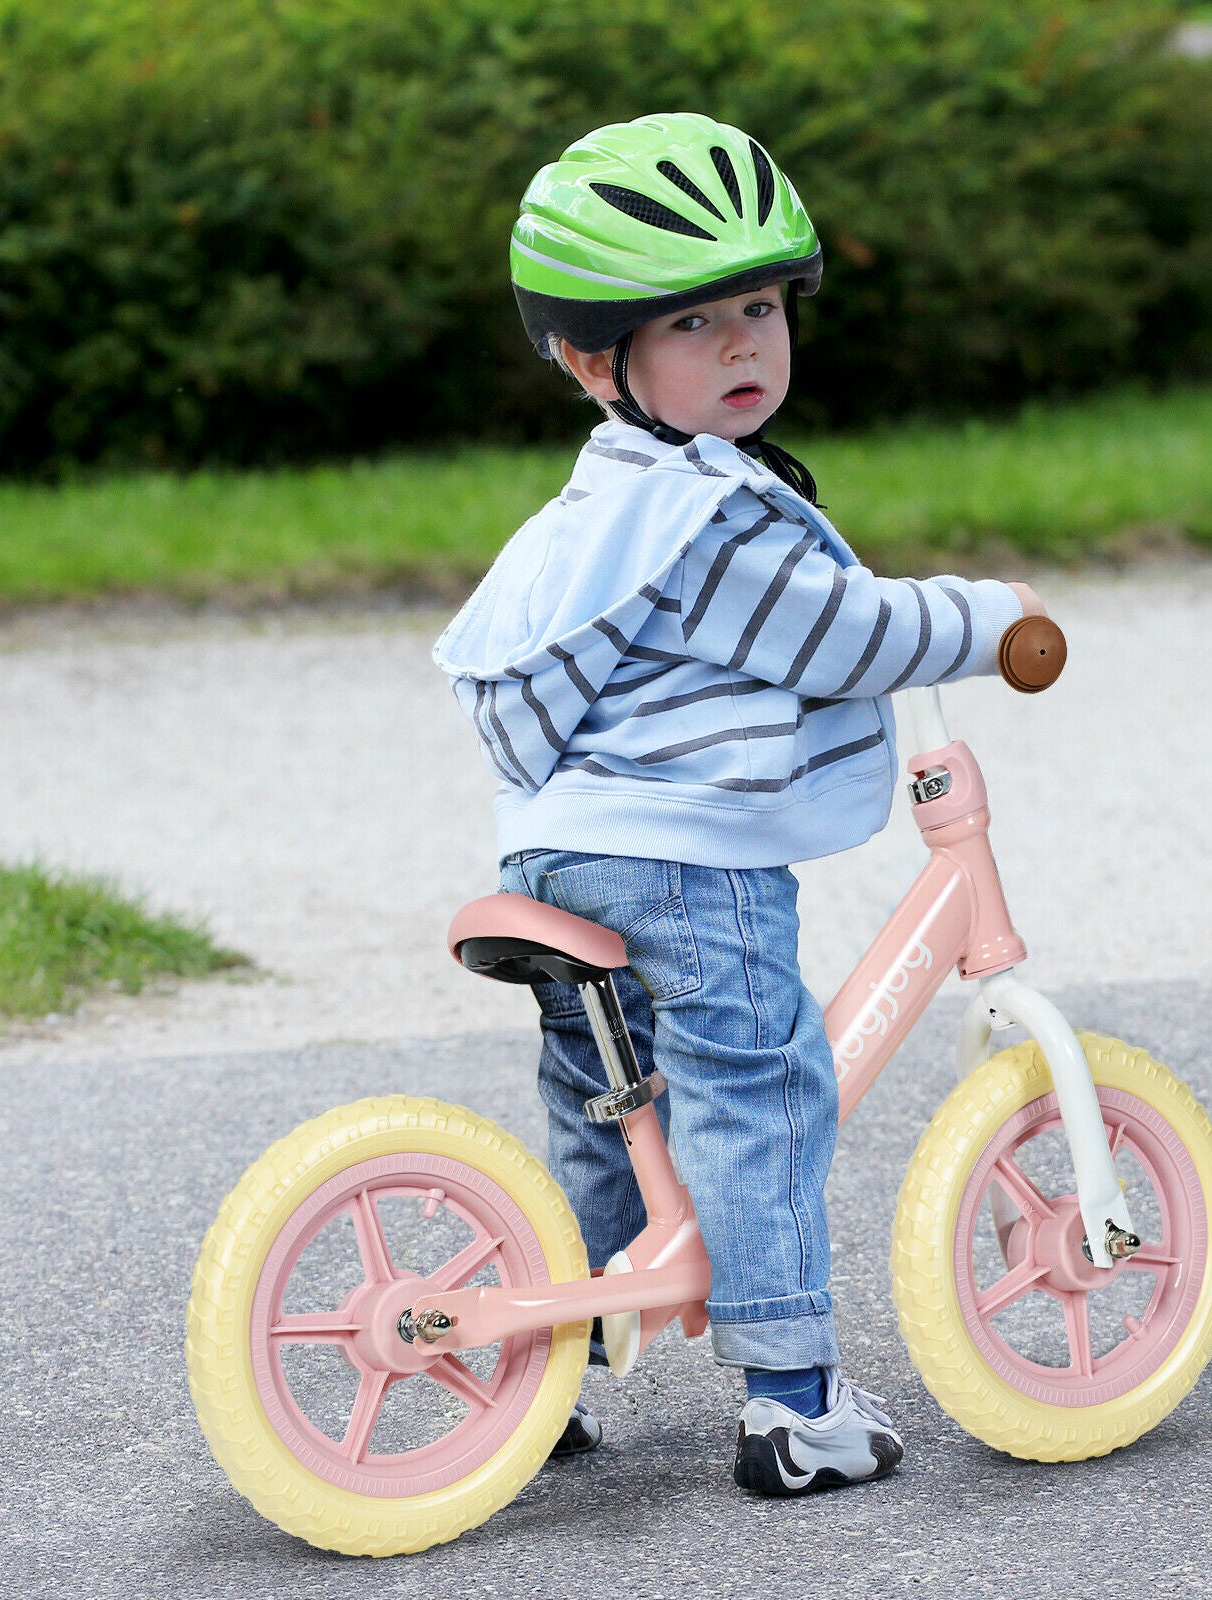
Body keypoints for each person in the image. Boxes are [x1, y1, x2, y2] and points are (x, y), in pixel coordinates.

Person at [434, 112, 1044, 1497]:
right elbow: (843, 636)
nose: (746, 348)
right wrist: (994, 618)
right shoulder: (706, 518)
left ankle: (560, 1374)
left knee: (611, 1106)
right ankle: (793, 1398)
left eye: (760, 310)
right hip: (681, 864)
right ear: (598, 361)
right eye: (696, 326)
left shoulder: (602, 502)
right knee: (759, 1085)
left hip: (559, 851)